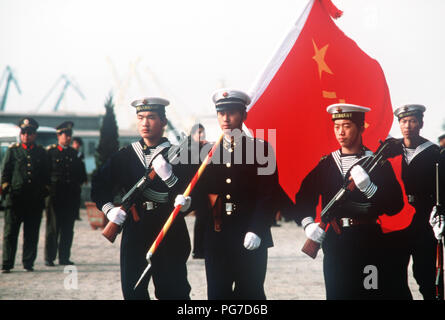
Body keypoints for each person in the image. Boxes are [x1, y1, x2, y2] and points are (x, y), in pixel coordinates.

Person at [294, 103, 404, 300]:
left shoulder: (378, 163)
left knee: (369, 295)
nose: (340, 132)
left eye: (346, 125)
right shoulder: (327, 163)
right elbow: (302, 197)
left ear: (361, 128)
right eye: (336, 127)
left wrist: (370, 189)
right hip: (337, 243)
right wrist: (308, 224)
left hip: (369, 242)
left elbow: (396, 205)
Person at [91, 97, 192, 300]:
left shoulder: (180, 155)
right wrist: (110, 209)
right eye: (141, 117)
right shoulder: (125, 155)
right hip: (136, 229)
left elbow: (190, 198)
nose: (145, 123)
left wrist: (171, 179)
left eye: (151, 117)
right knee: (133, 292)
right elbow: (99, 185)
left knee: (174, 292)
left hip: (169, 229)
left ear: (163, 122)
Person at [185, 89, 279, 299]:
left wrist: (257, 229)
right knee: (218, 295)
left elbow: (268, 195)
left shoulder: (261, 149)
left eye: (232, 112)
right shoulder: (206, 152)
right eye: (221, 113)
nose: (226, 118)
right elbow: (200, 193)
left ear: (244, 115)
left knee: (251, 294)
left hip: (249, 233)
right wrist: (188, 202)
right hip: (216, 236)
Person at [391, 104, 445, 300]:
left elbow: (442, 187)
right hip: (397, 219)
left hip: (423, 219)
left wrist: (441, 214)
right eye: (403, 121)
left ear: (420, 124)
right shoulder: (391, 150)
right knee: (395, 273)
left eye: (412, 121)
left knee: (425, 273)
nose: (408, 126)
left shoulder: (433, 153)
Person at [1, 118, 49, 273]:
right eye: (24, 133)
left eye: (30, 133)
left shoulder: (41, 152)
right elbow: (5, 173)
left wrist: (43, 192)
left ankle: (28, 262)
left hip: (34, 201)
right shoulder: (13, 150)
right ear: (20, 134)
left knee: (31, 233)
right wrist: (7, 188)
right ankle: (7, 263)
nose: (27, 136)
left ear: (35, 135)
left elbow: (46, 175)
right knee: (10, 233)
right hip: (15, 200)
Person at [45, 121, 85, 266]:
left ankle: (64, 257)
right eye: (65, 135)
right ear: (58, 135)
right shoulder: (50, 152)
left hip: (70, 197)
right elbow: (45, 173)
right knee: (53, 228)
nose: (68, 138)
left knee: (68, 229)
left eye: (69, 135)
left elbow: (81, 175)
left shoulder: (75, 154)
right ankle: (49, 257)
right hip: (55, 196)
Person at [188, 123, 209, 259]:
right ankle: (197, 249)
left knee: (207, 219)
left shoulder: (206, 148)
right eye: (198, 133)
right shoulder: (189, 150)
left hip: (206, 189)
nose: (201, 135)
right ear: (193, 135)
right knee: (201, 220)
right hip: (196, 191)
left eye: (203, 132)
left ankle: (204, 247)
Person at [71, 137, 88, 221]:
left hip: (78, 180)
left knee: (77, 197)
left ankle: (76, 214)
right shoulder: (70, 153)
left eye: (78, 144)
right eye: (75, 143)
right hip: (70, 179)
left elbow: (82, 167)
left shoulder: (80, 155)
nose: (76, 145)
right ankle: (70, 214)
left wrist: (85, 178)